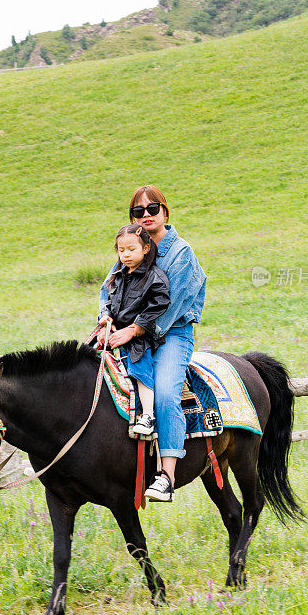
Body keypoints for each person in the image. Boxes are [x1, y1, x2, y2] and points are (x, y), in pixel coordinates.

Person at [98, 185, 206, 503]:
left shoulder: (181, 252)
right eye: (138, 211)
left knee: (167, 392)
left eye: (152, 208)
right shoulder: (132, 247)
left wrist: (133, 331)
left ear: (165, 211)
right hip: (130, 332)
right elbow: (109, 289)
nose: (146, 215)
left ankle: (167, 476)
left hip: (171, 334)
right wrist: (106, 321)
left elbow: (173, 304)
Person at [99, 224, 170, 439]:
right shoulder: (119, 274)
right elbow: (109, 300)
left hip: (138, 338)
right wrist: (106, 318)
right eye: (121, 250)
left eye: (131, 249)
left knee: (141, 369)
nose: (126, 255)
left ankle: (147, 416)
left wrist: (136, 327)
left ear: (146, 248)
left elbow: (159, 305)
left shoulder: (155, 278)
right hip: (114, 332)